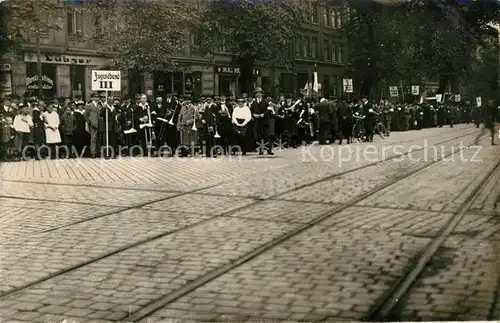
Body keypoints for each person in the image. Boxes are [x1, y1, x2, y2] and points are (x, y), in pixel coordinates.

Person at [250, 87, 272, 155]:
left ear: (262, 94)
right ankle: (261, 150)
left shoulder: (266, 102)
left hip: (264, 121)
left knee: (267, 136)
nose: (258, 94)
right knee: (260, 136)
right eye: (257, 93)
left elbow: (269, 110)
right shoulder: (253, 103)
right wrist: (253, 115)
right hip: (257, 122)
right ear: (255, 95)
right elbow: (250, 111)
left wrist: (263, 114)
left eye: (260, 93)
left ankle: (269, 150)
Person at [84, 93, 102, 158]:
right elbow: (85, 115)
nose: (97, 98)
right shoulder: (89, 105)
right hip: (93, 124)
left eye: (98, 97)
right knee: (93, 139)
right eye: (95, 97)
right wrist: (90, 123)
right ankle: (93, 152)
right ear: (92, 98)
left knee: (99, 139)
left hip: (99, 124)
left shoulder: (99, 106)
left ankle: (98, 152)